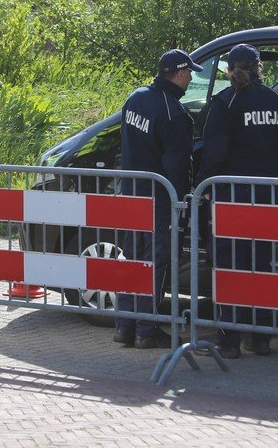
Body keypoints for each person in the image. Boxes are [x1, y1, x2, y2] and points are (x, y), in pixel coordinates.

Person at [197, 43, 278, 359]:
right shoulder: (275, 101)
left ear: (229, 71)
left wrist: (203, 184)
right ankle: (261, 338)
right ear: (258, 69)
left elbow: (214, 150)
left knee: (229, 265)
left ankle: (228, 342)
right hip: (265, 193)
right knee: (261, 265)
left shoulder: (225, 103)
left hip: (231, 194)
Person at [113, 49, 201, 349]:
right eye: (189, 72)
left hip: (130, 194)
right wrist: (183, 202)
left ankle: (124, 325)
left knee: (131, 260)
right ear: (178, 74)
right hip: (158, 201)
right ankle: (146, 330)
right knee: (155, 262)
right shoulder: (174, 113)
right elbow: (177, 167)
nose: (191, 77)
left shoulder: (135, 98)